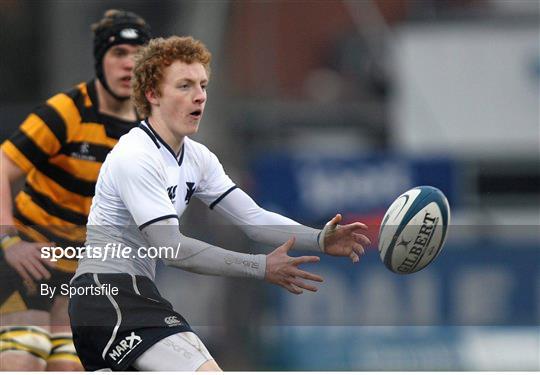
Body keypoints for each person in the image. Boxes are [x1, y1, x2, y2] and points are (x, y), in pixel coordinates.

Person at [68, 35, 371, 371]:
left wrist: (319, 239)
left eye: (202, 84)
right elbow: (173, 249)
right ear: (152, 94)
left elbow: (252, 218)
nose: (199, 96)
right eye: (184, 86)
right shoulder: (135, 155)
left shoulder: (197, 158)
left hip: (125, 297)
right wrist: (259, 266)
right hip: (110, 295)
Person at [0, 9, 151, 371]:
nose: (128, 64)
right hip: (31, 254)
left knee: (72, 363)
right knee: (25, 352)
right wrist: (9, 241)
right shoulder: (67, 111)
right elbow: (1, 168)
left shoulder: (150, 129)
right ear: (101, 59)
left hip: (87, 267)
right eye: (118, 53)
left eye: (138, 55)